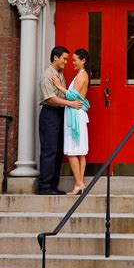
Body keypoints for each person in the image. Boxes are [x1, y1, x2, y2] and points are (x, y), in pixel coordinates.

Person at [37, 45, 83, 195]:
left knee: (57, 151)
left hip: (59, 114)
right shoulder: (47, 75)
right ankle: (44, 186)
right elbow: (50, 98)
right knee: (49, 150)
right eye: (64, 59)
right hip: (50, 113)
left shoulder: (60, 73)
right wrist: (70, 103)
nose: (66, 62)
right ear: (55, 58)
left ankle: (53, 186)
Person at [52, 48, 91, 195]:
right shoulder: (82, 75)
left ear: (83, 61)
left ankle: (79, 183)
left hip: (75, 114)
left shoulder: (82, 75)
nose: (72, 63)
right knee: (80, 151)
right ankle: (80, 183)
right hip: (78, 114)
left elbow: (72, 95)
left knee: (73, 151)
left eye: (75, 60)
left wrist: (58, 85)